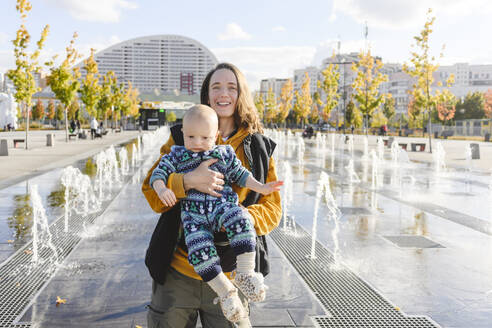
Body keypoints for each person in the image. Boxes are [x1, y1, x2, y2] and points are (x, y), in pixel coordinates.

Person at [142, 62, 282, 327]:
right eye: (216, 87)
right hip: (179, 272)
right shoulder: (181, 138)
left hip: (232, 274)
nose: (223, 93)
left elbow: (273, 207)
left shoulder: (259, 146)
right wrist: (187, 181)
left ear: (241, 95)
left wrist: (245, 217)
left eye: (231, 87)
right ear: (207, 95)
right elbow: (151, 190)